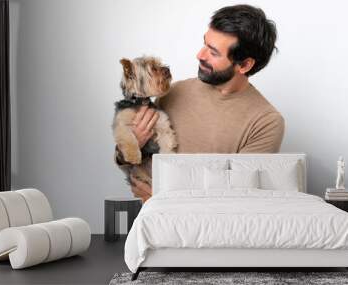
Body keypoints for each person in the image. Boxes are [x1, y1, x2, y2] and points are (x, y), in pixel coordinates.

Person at [114, 4, 285, 202]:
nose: (200, 55)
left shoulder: (266, 122)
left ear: (245, 65)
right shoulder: (173, 92)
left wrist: (163, 198)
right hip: (154, 223)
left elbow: (239, 199)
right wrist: (127, 148)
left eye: (213, 52)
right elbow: (132, 163)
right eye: (205, 43)